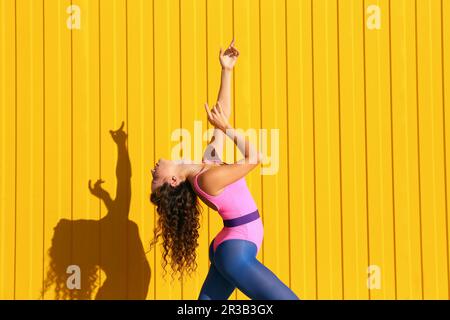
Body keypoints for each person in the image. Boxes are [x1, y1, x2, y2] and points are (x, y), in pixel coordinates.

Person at [150, 39, 299, 300]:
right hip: (235, 250)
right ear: (173, 181)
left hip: (231, 245)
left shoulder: (205, 166)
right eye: (155, 177)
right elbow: (255, 157)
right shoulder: (207, 179)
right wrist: (228, 128)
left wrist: (227, 70)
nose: (152, 170)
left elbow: (222, 113)